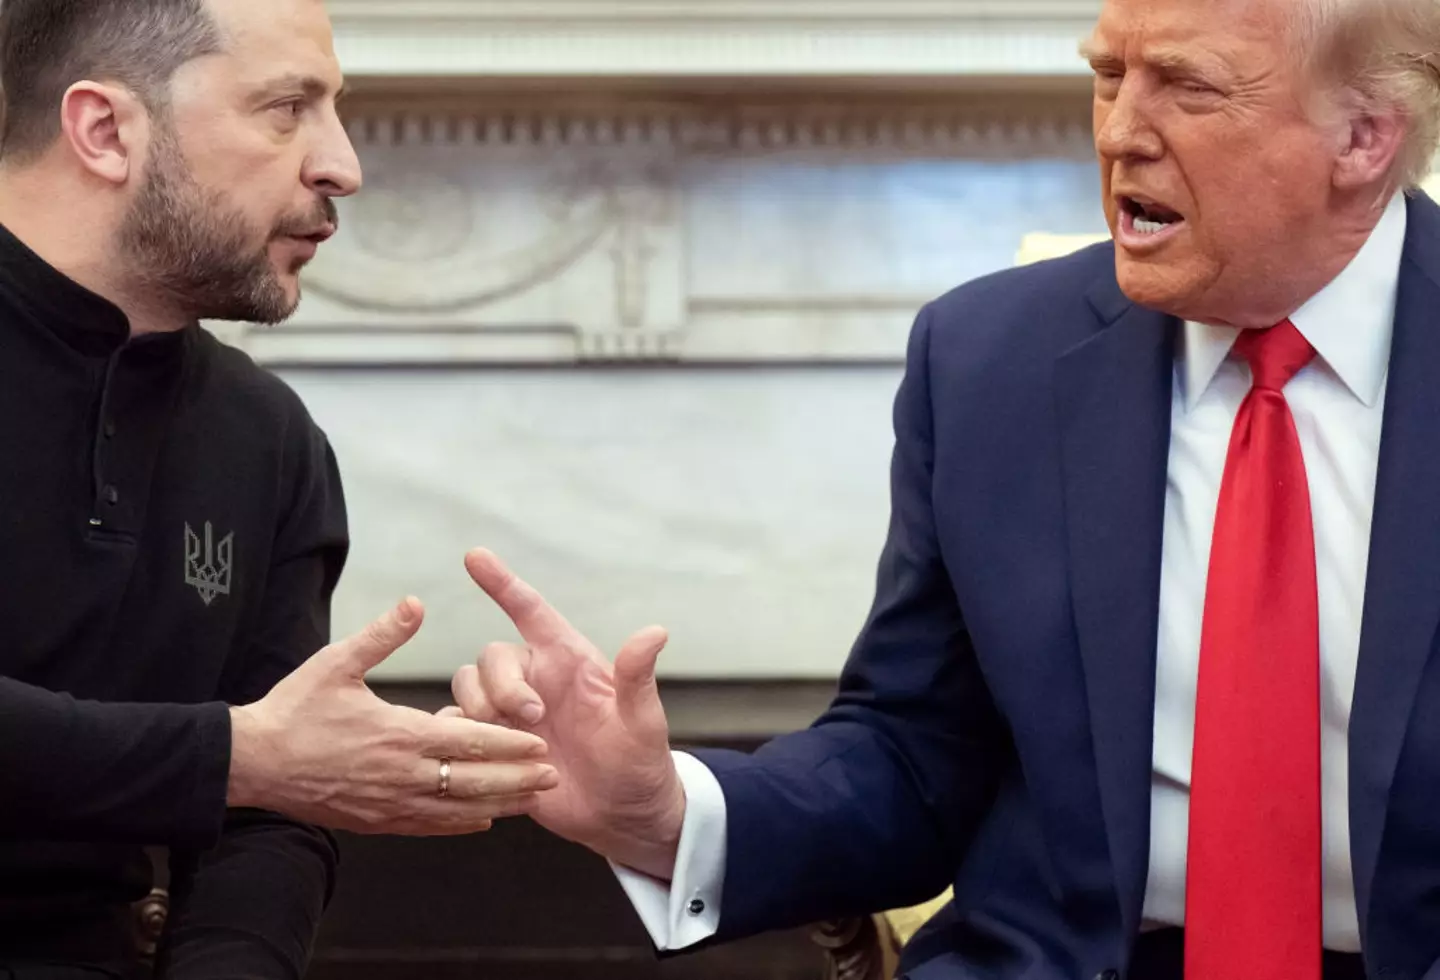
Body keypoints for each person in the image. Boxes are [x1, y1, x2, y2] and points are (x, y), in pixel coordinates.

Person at [451, 0, 1440, 976]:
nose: (1119, 132)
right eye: (1107, 76)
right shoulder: (990, 357)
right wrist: (665, 807)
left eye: (1188, 87)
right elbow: (917, 754)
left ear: (1363, 136)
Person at [0, 0, 559, 976]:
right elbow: (261, 760)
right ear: (105, 130)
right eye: (286, 108)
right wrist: (234, 755)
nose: (342, 165)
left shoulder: (268, 435)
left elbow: (276, 814)